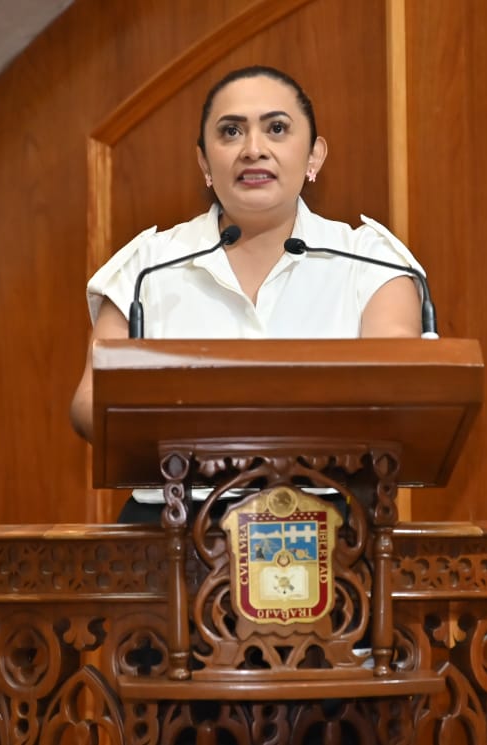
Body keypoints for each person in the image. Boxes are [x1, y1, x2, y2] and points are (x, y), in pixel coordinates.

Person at [69, 66, 426, 520]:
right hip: (171, 524)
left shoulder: (372, 260)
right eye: (231, 131)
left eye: (276, 128)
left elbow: (397, 394)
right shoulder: (146, 265)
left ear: (314, 155)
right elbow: (90, 402)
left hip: (333, 527)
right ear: (204, 162)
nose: (253, 149)